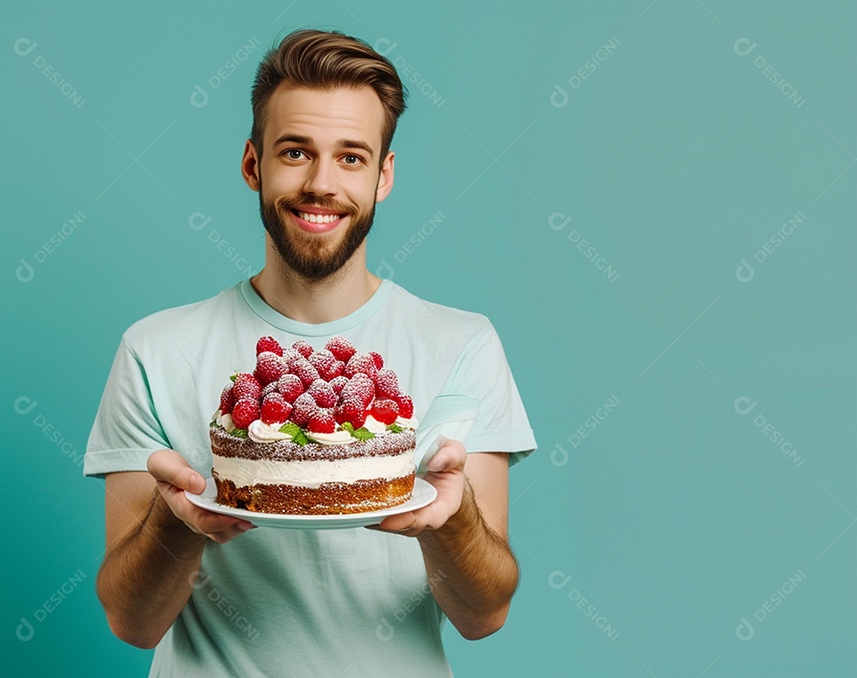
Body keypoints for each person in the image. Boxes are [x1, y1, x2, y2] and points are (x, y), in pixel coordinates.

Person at [84, 28, 537, 676]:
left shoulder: (462, 345)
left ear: (384, 176)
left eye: (351, 157)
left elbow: (482, 615)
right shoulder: (156, 350)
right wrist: (174, 524)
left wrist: (452, 519)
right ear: (252, 165)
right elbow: (131, 622)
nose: (321, 183)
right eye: (296, 152)